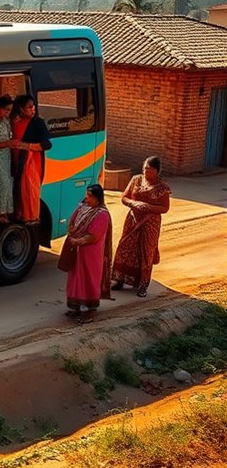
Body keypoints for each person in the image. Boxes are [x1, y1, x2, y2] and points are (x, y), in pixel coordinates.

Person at [111, 156, 172, 298]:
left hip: (150, 223)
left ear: (157, 171)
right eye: (145, 169)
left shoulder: (162, 188)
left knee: (145, 252)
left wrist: (148, 206)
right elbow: (124, 197)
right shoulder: (136, 180)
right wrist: (133, 203)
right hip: (132, 220)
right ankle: (119, 279)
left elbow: (165, 208)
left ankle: (143, 285)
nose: (146, 172)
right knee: (125, 246)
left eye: (149, 170)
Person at [61, 184, 113, 324]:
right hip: (77, 250)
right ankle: (76, 306)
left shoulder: (102, 214)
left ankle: (90, 309)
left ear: (97, 199)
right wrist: (71, 232)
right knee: (76, 276)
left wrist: (78, 241)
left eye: (89, 196)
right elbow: (73, 221)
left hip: (90, 252)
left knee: (88, 277)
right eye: (87, 195)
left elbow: (94, 236)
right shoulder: (83, 207)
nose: (86, 198)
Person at [11, 95, 52, 225]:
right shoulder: (14, 122)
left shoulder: (37, 122)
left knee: (28, 193)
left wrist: (26, 146)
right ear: (21, 109)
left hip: (31, 164)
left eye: (33, 106)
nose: (33, 109)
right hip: (15, 163)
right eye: (29, 107)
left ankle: (30, 217)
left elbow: (47, 145)